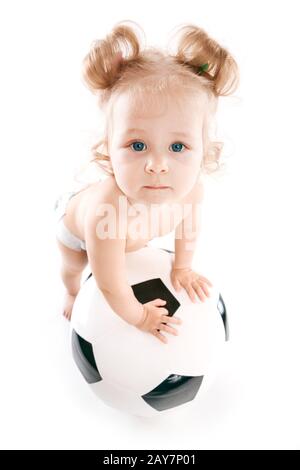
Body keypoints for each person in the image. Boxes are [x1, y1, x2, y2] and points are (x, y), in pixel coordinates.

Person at [54, 20, 239, 343]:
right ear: (109, 147)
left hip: (128, 236)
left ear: (203, 150)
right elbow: (109, 282)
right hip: (76, 229)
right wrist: (139, 316)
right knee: (73, 267)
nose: (156, 166)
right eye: (137, 146)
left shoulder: (191, 191)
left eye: (177, 147)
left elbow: (188, 228)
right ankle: (69, 294)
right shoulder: (106, 212)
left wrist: (182, 267)